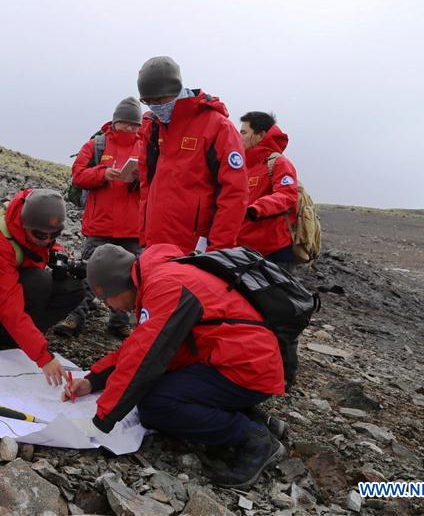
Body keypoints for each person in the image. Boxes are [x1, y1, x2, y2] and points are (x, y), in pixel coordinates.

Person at [63, 243, 286, 489]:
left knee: (155, 405)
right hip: (240, 361)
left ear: (119, 285)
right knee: (161, 386)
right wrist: (92, 380)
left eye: (106, 299)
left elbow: (144, 360)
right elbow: (137, 348)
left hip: (247, 369)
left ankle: (252, 438)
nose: (109, 307)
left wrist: (100, 420)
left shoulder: (165, 286)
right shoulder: (161, 277)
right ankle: (259, 420)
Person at [0, 189, 84, 386]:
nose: (46, 240)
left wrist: (59, 255)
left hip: (22, 286)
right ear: (25, 224)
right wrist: (43, 356)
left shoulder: (41, 230)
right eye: (40, 235)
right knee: (39, 281)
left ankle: (23, 339)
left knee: (74, 288)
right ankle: (1, 341)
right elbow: (8, 305)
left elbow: (45, 244)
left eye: (54, 235)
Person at [136, 56, 248, 253]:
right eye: (148, 102)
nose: (155, 106)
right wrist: (145, 236)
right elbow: (147, 185)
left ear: (175, 90)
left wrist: (218, 250)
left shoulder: (217, 127)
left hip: (195, 249)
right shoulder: (153, 128)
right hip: (156, 245)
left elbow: (234, 193)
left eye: (159, 100)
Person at [53, 97, 143, 339]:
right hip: (100, 225)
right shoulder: (96, 145)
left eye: (135, 125)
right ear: (115, 121)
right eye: (126, 123)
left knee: (130, 277)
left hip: (133, 229)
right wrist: (104, 174)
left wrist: (140, 180)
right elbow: (78, 176)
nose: (130, 129)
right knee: (89, 272)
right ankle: (74, 316)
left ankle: (119, 321)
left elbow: (158, 182)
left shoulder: (146, 147)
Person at [236, 111, 299, 267]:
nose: (239, 136)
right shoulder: (241, 165)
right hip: (241, 249)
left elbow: (287, 195)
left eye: (244, 132)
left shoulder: (278, 163)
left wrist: (257, 208)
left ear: (261, 134)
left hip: (273, 253)